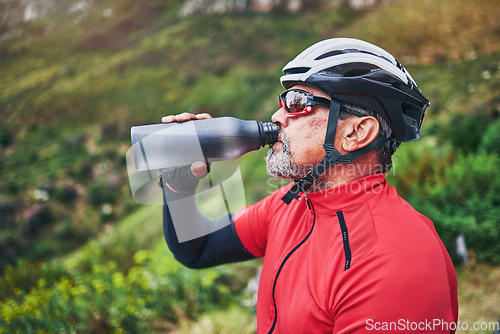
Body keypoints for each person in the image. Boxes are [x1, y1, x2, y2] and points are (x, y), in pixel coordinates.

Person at [159, 38, 458, 333]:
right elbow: (198, 249)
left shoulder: (391, 263)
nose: (277, 117)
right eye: (283, 102)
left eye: (297, 103)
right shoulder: (292, 203)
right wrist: (180, 184)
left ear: (357, 133)